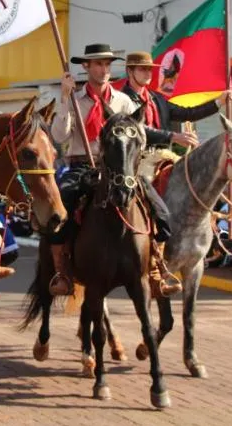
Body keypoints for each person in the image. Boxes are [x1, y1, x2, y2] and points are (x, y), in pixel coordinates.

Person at [49, 43, 184, 299]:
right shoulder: (74, 100)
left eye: (108, 64)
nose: (104, 69)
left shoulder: (123, 101)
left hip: (121, 168)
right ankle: (62, 271)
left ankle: (157, 268)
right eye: (98, 64)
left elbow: (140, 136)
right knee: (59, 210)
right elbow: (59, 135)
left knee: (162, 212)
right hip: (82, 165)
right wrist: (65, 98)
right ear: (86, 66)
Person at [119, 50, 231, 147]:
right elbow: (137, 128)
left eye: (149, 69)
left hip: (162, 157)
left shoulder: (156, 98)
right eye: (143, 69)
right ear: (129, 71)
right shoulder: (121, 100)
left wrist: (218, 102)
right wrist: (174, 136)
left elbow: (188, 113)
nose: (148, 74)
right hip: (134, 162)